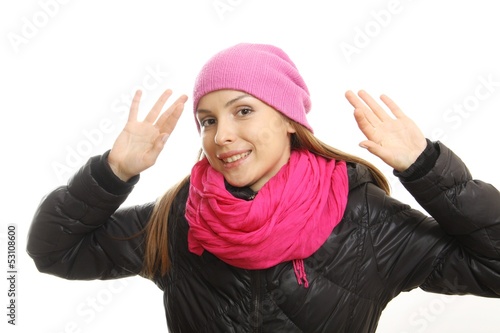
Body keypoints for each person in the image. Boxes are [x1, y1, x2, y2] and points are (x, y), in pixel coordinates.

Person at [27, 43, 500, 333]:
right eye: (207, 121)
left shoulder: (365, 219)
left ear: (290, 120)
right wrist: (113, 172)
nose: (222, 135)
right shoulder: (179, 217)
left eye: (243, 110)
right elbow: (53, 251)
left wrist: (426, 168)